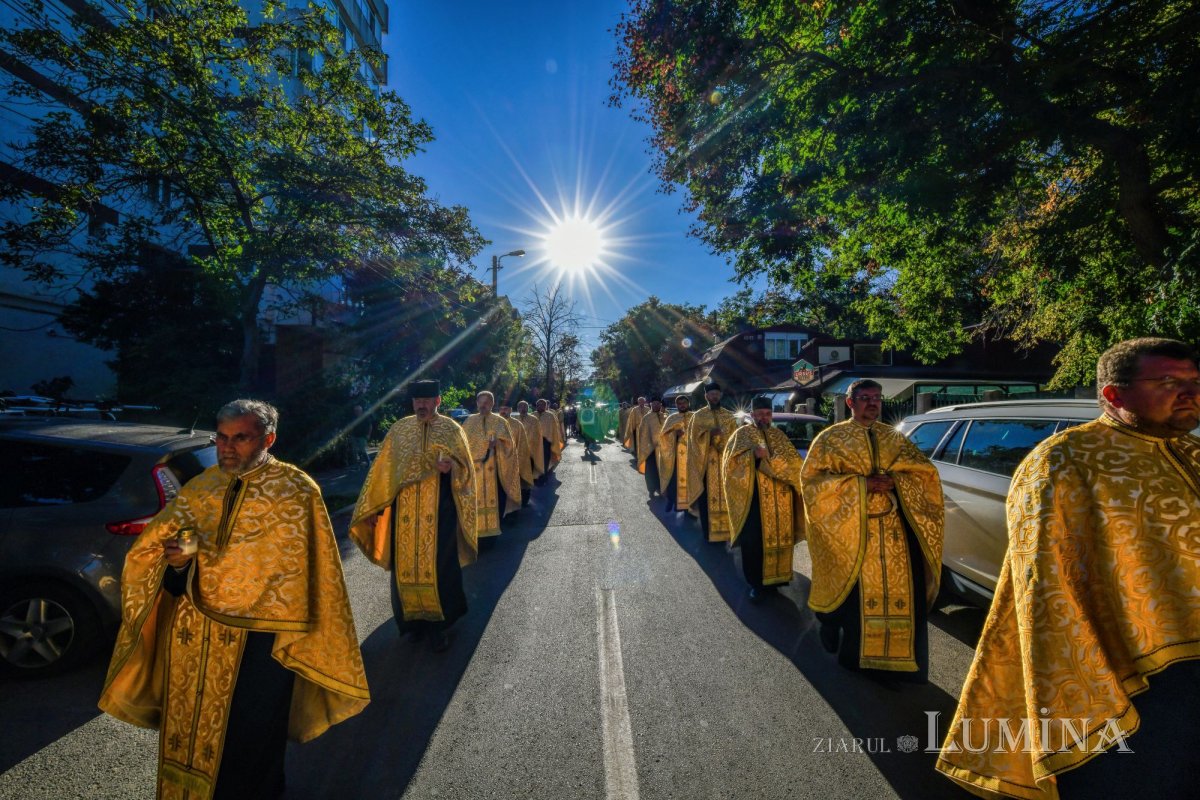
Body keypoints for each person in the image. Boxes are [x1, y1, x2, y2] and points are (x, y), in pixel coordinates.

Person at [936, 337, 1200, 799]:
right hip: (1126, 669)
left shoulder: (1193, 453)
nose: (1190, 393)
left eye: (1195, 382)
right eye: (1168, 382)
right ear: (1114, 395)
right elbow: (1045, 585)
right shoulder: (1062, 461)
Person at [99, 399, 370, 800]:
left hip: (263, 641)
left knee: (253, 736)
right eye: (222, 438)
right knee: (188, 727)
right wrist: (177, 563)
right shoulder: (200, 488)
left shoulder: (297, 491)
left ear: (268, 439)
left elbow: (315, 576)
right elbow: (158, 554)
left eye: (240, 438)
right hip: (195, 635)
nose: (227, 447)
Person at [801, 378, 943, 682]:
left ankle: (896, 664)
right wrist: (861, 485)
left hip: (894, 535)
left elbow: (926, 474)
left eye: (877, 397)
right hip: (852, 533)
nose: (873, 403)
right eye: (865, 397)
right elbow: (812, 486)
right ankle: (849, 648)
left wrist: (899, 483)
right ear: (850, 403)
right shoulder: (830, 440)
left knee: (903, 596)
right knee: (852, 595)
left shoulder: (894, 438)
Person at [350, 380, 477, 653]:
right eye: (417, 401)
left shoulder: (451, 429)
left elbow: (466, 469)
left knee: (439, 569)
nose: (421, 405)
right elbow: (383, 473)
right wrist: (375, 508)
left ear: (437, 401)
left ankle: (438, 627)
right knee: (405, 569)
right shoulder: (399, 430)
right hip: (404, 513)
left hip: (440, 511)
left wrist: (451, 466)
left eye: (426, 400)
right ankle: (413, 623)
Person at [723, 396, 804, 601]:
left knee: (780, 540)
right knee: (753, 544)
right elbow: (729, 466)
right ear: (752, 415)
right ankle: (756, 584)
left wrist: (780, 468)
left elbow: (794, 464)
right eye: (759, 414)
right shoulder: (742, 435)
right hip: (753, 501)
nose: (764, 418)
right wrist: (753, 457)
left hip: (780, 501)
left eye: (767, 414)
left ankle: (776, 580)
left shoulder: (779, 435)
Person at [462, 390, 520, 537]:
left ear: (492, 404)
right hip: (474, 472)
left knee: (497, 501)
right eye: (480, 402)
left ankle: (494, 533)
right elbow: (462, 446)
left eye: (486, 402)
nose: (483, 406)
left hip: (495, 472)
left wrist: (498, 444)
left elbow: (510, 447)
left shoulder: (500, 422)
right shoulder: (469, 422)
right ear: (476, 404)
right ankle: (476, 533)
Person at [686, 381, 738, 542]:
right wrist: (709, 434)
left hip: (724, 463)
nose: (714, 396)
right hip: (705, 465)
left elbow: (735, 439)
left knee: (726, 497)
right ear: (706, 396)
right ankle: (708, 533)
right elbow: (693, 440)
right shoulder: (698, 416)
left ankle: (726, 532)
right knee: (706, 498)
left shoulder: (729, 416)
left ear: (720, 395)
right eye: (711, 394)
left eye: (716, 394)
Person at [657, 394, 693, 513]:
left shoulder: (695, 417)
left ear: (688, 404)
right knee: (674, 480)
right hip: (675, 455)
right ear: (676, 405)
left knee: (690, 480)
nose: (682, 405)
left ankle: (687, 507)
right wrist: (674, 434)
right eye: (679, 403)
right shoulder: (672, 418)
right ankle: (671, 500)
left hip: (691, 455)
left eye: (684, 403)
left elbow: (700, 435)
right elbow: (663, 436)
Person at [499, 403, 533, 507]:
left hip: (513, 461)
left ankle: (514, 507)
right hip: (497, 461)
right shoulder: (494, 423)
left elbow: (522, 445)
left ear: (511, 410)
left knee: (514, 485)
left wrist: (518, 461)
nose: (504, 411)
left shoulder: (517, 425)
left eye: (506, 408)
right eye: (502, 409)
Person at [637, 397, 666, 497]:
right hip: (651, 449)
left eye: (658, 404)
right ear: (651, 405)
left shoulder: (665, 416)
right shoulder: (646, 418)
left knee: (662, 469)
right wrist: (650, 445)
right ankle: (651, 489)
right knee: (651, 470)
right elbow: (643, 434)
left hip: (664, 449)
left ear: (660, 405)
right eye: (654, 404)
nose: (656, 405)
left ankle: (661, 488)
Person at [516, 400, 545, 489]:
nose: (523, 408)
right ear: (518, 409)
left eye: (525, 406)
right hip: (517, 451)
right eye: (521, 406)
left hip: (530, 451)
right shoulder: (514, 420)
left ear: (528, 408)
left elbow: (538, 435)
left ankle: (528, 487)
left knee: (529, 469)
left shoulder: (534, 420)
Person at [535, 398, 564, 484]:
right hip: (534, 442)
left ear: (546, 406)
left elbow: (555, 430)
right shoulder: (533, 415)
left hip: (546, 442)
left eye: (542, 405)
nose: (540, 406)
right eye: (538, 405)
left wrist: (555, 441)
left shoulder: (550, 416)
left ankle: (543, 478)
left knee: (545, 461)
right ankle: (537, 477)